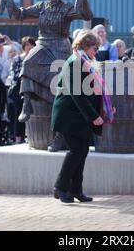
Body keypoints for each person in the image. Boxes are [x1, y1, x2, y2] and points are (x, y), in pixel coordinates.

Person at [0, 0, 93, 124]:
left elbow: (85, 15)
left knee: (62, 76)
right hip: (42, 44)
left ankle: (61, 109)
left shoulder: (66, 7)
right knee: (27, 62)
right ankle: (26, 103)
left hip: (61, 46)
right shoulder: (41, 7)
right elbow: (19, 14)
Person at [52, 30, 112, 203]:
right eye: (95, 47)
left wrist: (105, 109)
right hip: (69, 116)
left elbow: (92, 92)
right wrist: (94, 116)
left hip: (79, 117)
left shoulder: (85, 61)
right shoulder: (75, 62)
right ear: (85, 46)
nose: (97, 51)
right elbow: (77, 95)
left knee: (81, 151)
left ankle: (75, 190)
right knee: (76, 151)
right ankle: (60, 187)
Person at [7, 37, 36, 144]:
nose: (30, 47)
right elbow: (14, 75)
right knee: (18, 115)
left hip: (34, 90)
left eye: (32, 45)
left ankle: (33, 137)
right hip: (19, 90)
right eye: (27, 45)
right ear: (24, 47)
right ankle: (18, 138)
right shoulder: (17, 59)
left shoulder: (38, 59)